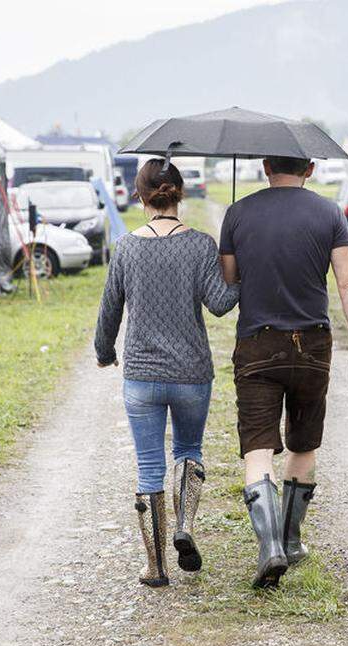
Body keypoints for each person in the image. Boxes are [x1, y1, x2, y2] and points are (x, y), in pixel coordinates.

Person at [219, 155, 348, 589]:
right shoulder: (329, 213)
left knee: (258, 450)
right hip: (313, 343)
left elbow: (229, 281)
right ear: (309, 167)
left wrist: (238, 240)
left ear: (265, 166)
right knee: (303, 443)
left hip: (257, 344)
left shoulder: (238, 211)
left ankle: (268, 546)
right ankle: (290, 540)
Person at [94, 159, 239, 588]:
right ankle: (185, 527)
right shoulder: (200, 245)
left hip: (141, 375)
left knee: (148, 466)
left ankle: (156, 567)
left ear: (140, 196)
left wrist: (104, 352)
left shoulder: (126, 248)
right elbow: (220, 303)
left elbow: (109, 311)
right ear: (180, 193)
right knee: (189, 450)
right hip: (192, 373)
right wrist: (237, 266)